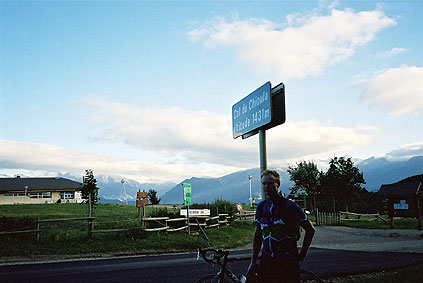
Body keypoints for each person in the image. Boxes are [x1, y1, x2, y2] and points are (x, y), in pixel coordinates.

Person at [246, 170, 315, 283]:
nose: (267, 186)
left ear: (277, 184)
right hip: (267, 260)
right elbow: (258, 235)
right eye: (264, 183)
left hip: (287, 261)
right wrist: (253, 262)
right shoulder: (261, 207)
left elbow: (310, 230)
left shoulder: (290, 206)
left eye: (270, 183)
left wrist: (302, 254)